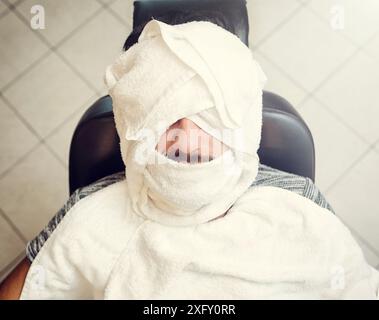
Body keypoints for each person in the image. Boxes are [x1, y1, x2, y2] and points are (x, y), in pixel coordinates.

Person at [4, 12, 377, 300]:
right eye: (165, 115)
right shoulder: (90, 210)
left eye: (203, 114)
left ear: (242, 125)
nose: (186, 140)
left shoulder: (296, 202)